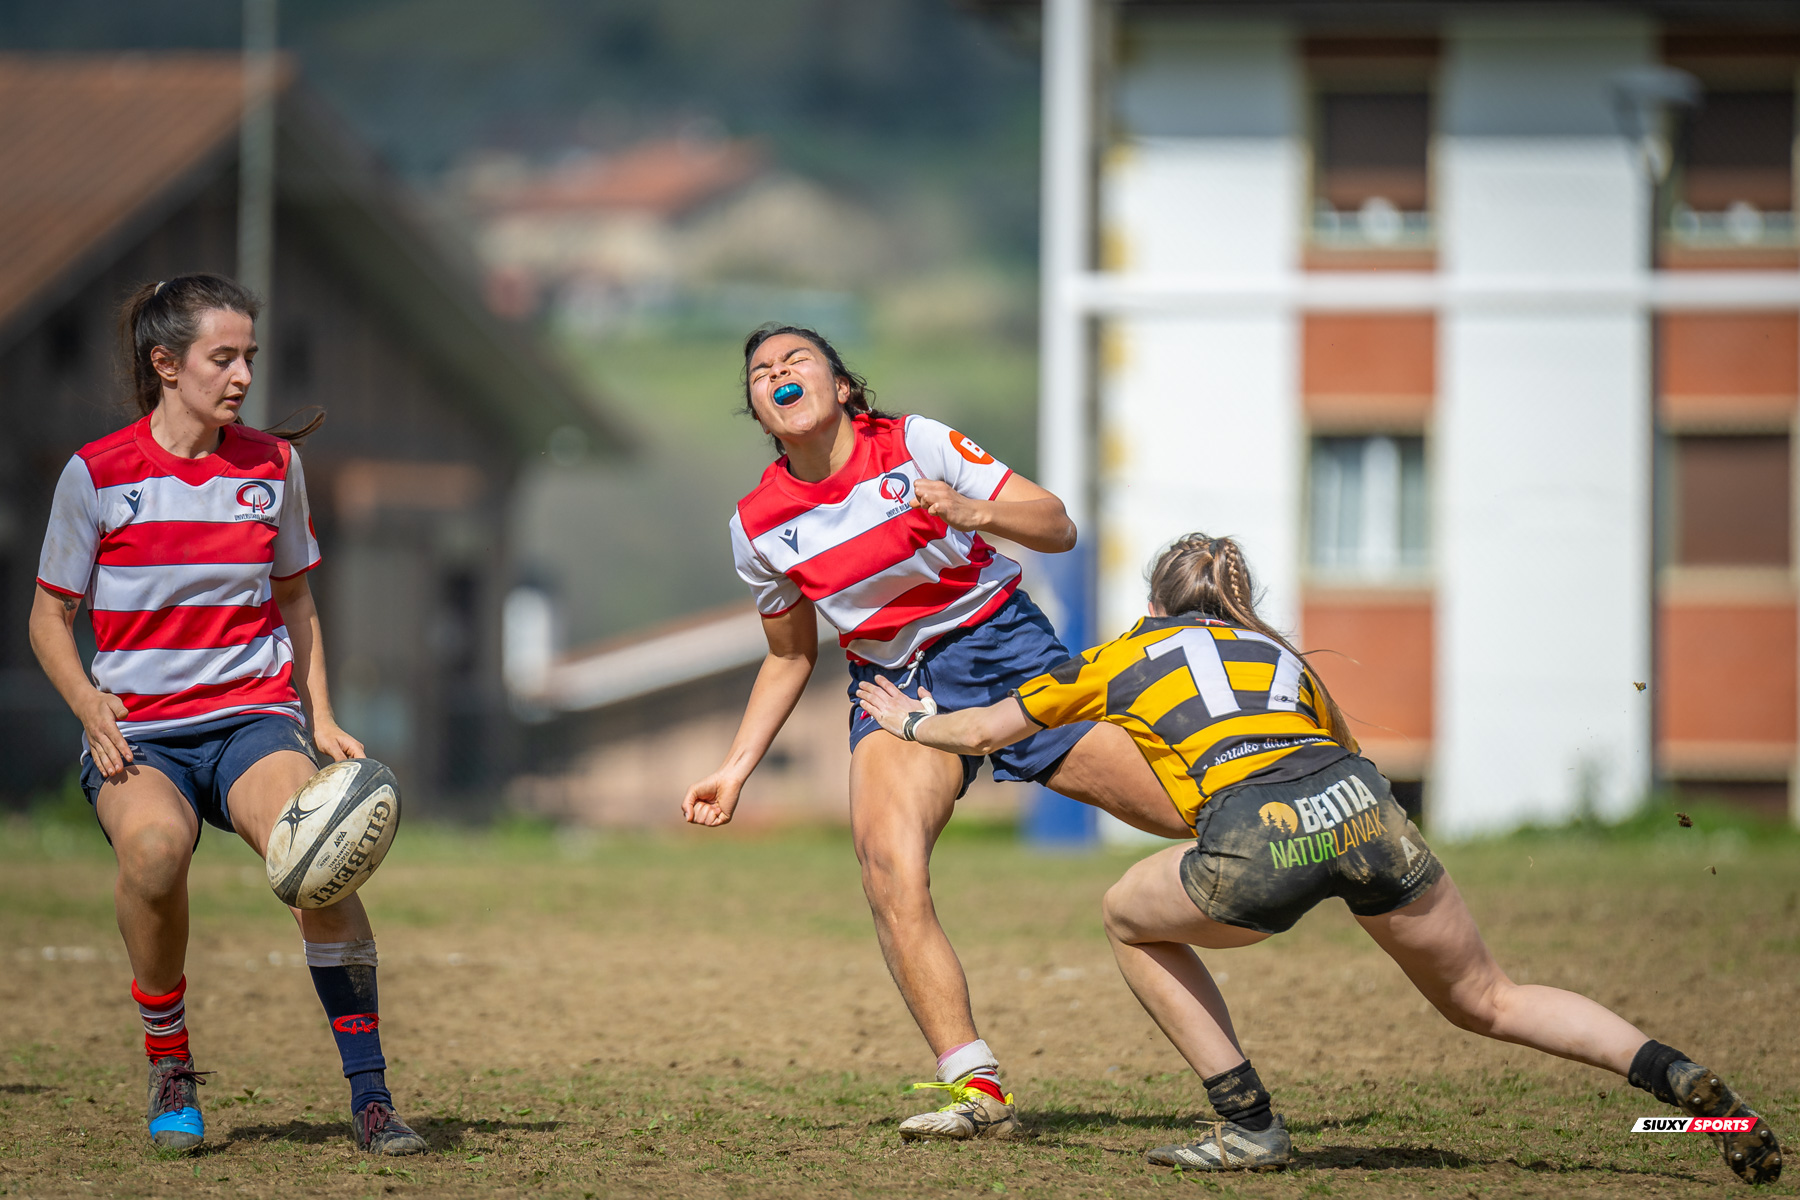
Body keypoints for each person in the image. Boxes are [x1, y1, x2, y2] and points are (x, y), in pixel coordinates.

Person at [855, 533, 1782, 1185]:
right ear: (1238, 600)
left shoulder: (1122, 653)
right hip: (1370, 815)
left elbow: (991, 723)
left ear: (1152, 605)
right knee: (1489, 998)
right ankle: (1687, 1087)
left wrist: (909, 721)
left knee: (1128, 918)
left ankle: (1248, 1125)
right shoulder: (1283, 656)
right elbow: (1340, 747)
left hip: (1262, 834)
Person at [681, 325, 1187, 1140]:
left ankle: (1327, 831)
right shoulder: (758, 527)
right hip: (895, 685)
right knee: (887, 869)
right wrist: (735, 769)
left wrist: (970, 508)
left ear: (842, 386)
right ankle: (976, 1089)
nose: (776, 374)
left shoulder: (915, 443)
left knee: (1186, 811)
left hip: (1004, 650)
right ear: (759, 410)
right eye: (760, 372)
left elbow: (1056, 524)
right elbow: (788, 656)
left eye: (795, 360)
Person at [28, 274, 427, 1157]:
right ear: (166, 364)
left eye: (250, 355)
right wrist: (88, 702)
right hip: (142, 733)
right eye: (224, 356)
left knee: (318, 859)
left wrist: (318, 715)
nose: (243, 373)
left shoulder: (273, 467)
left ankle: (371, 1096)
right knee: (155, 854)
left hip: (250, 716)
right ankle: (169, 1063)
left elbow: (296, 600)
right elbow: (48, 618)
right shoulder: (97, 474)